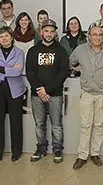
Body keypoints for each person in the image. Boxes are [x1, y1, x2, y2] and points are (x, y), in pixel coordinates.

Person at [69, 26, 103, 170]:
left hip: (102, 95)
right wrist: (77, 68)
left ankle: (95, 153)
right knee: (85, 125)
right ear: (89, 36)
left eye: (100, 35)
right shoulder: (80, 49)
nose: (98, 37)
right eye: (95, 34)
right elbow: (71, 61)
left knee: (98, 126)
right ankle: (82, 156)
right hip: (87, 94)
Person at [26, 20, 69, 164]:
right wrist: (40, 90)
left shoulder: (61, 51)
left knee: (57, 124)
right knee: (39, 124)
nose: (49, 34)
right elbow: (30, 73)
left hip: (55, 94)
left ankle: (57, 150)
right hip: (36, 95)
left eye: (52, 31)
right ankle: (41, 149)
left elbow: (63, 73)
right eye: (46, 31)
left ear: (55, 33)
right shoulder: (33, 51)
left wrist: (47, 90)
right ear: (41, 32)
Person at [0, 26, 26, 162]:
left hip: (15, 91)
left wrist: (0, 68)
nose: (4, 39)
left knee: (16, 122)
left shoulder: (19, 53)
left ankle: (16, 151)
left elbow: (17, 72)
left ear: (11, 37)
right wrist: (8, 70)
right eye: (1, 36)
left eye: (6, 36)